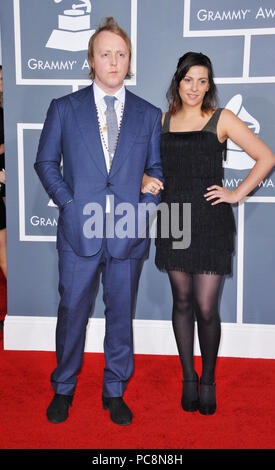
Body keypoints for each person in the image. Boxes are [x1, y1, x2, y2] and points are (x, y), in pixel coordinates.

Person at [35, 17, 163, 425]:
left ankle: (114, 390)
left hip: (127, 231)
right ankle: (64, 388)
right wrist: (69, 203)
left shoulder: (148, 114)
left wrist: (143, 205)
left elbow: (156, 170)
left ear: (129, 61)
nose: (114, 61)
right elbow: (45, 163)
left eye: (121, 54)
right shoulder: (64, 108)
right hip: (79, 231)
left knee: (120, 314)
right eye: (105, 54)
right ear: (91, 59)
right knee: (72, 311)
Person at [142, 52, 275, 415]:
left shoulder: (221, 118)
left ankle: (208, 379)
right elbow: (144, 165)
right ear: (178, 80)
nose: (195, 88)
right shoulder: (162, 121)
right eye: (189, 80)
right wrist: (144, 178)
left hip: (210, 221)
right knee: (181, 302)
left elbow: (266, 156)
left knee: (205, 307)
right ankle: (188, 376)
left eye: (203, 81)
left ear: (209, 85)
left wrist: (234, 193)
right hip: (173, 217)